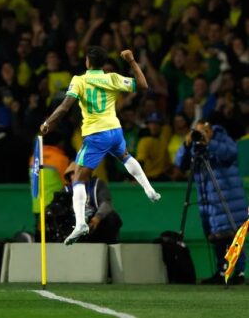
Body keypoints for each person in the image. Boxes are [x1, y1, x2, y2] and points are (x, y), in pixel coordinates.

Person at [40, 46, 160, 245]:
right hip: (115, 130)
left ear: (87, 61)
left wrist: (47, 123)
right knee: (125, 156)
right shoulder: (112, 78)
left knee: (78, 177)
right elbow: (143, 85)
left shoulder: (79, 80)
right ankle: (149, 190)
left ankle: (80, 224)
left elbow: (64, 107)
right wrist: (130, 60)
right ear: (103, 63)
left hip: (96, 135)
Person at [175, 120, 248, 285]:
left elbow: (231, 153)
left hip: (228, 198)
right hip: (209, 201)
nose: (200, 135)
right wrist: (186, 145)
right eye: (197, 131)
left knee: (233, 235)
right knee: (217, 237)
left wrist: (211, 142)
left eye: (203, 131)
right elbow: (180, 164)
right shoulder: (195, 145)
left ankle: (239, 272)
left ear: (210, 130)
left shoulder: (221, 138)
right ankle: (221, 271)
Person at [47, 162, 122, 244]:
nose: (74, 177)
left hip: (96, 223)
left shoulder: (97, 185)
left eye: (76, 173)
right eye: (71, 174)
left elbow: (106, 204)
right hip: (74, 225)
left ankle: (109, 246)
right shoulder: (66, 190)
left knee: (112, 217)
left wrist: (97, 218)